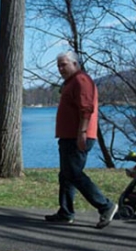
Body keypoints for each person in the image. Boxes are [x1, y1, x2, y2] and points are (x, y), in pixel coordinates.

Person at [44, 50, 118, 228]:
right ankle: (66, 213)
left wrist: (82, 133)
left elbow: (86, 109)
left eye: (64, 64)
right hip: (68, 136)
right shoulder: (71, 82)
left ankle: (105, 206)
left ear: (75, 64)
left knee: (74, 174)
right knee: (66, 175)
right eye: (59, 65)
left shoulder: (81, 80)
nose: (61, 68)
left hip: (78, 136)